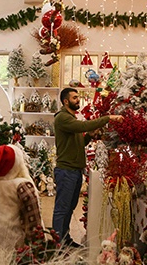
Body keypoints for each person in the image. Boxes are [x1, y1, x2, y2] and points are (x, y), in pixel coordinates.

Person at [52, 87, 122, 247]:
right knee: (62, 208)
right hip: (66, 171)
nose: (78, 100)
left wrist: (89, 137)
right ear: (66, 101)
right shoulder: (63, 118)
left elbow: (80, 142)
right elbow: (83, 126)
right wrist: (108, 118)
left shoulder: (71, 119)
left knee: (70, 207)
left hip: (75, 171)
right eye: (75, 98)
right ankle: (57, 244)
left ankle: (65, 238)